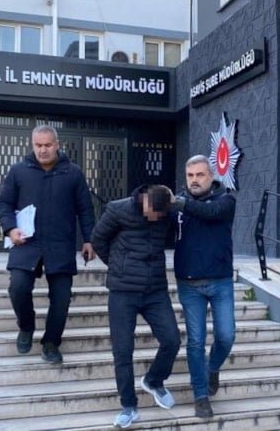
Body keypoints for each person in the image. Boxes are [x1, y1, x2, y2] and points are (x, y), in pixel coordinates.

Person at [0, 124, 96, 364]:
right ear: (32, 145)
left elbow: (85, 209)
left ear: (57, 145)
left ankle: (51, 343)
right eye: (38, 145)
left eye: (48, 145)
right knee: (18, 287)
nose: (43, 150)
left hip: (60, 244)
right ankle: (26, 326)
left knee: (61, 299)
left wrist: (90, 239)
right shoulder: (18, 171)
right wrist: (10, 229)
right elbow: (3, 204)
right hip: (26, 243)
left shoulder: (73, 173)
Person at [91, 184, 181, 429]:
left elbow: (189, 211)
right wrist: (118, 266)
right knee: (122, 350)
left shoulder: (167, 212)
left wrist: (179, 201)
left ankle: (154, 380)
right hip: (123, 291)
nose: (154, 218)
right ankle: (129, 407)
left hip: (155, 290)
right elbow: (98, 239)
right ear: (144, 201)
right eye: (152, 212)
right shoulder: (118, 210)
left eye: (159, 215)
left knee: (172, 339)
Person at [172, 154, 237, 419]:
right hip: (189, 285)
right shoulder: (177, 203)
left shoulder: (225, 200)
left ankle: (213, 368)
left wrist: (180, 204)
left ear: (211, 176)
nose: (194, 180)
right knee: (195, 342)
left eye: (200, 175)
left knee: (226, 336)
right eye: (190, 176)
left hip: (220, 282)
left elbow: (210, 213)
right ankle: (200, 396)